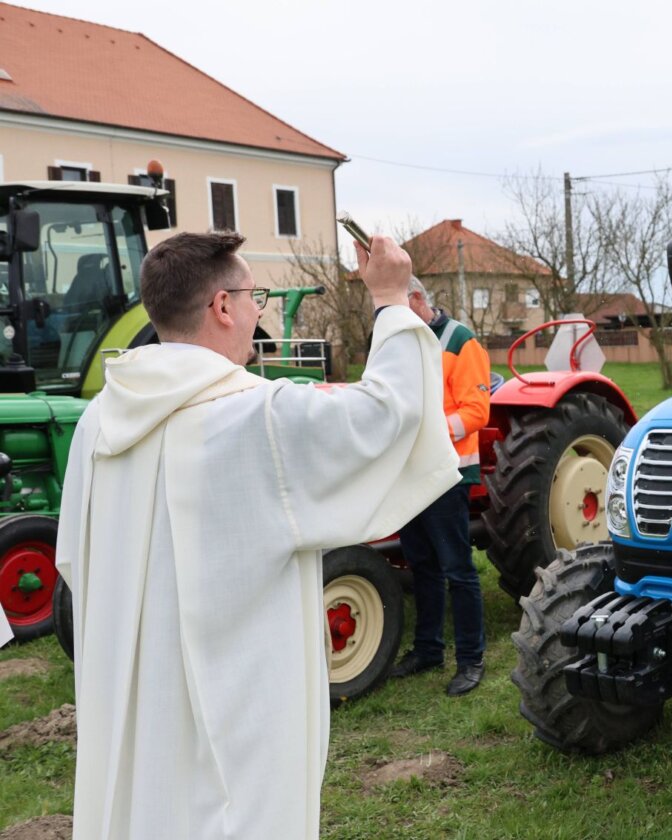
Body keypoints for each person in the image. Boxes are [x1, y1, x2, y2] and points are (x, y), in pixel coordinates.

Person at [54, 231, 460, 840]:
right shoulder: (253, 419)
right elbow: (387, 418)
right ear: (222, 306)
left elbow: (73, 558)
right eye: (255, 297)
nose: (258, 313)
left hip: (136, 692)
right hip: (232, 702)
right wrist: (391, 300)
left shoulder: (98, 420)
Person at [390, 277, 491, 696]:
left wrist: (427, 431)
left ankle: (471, 660)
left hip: (449, 473)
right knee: (421, 565)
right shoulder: (398, 341)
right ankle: (428, 650)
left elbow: (477, 411)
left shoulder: (459, 340)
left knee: (457, 569)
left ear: (416, 298)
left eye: (395, 306)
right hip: (411, 474)